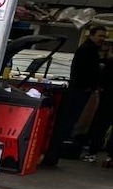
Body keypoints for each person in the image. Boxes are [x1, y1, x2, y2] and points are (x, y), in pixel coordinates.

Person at [44, 26, 104, 167]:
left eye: (104, 36)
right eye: (100, 35)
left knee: (68, 124)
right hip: (78, 92)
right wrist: (88, 87)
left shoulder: (92, 50)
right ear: (92, 35)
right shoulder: (86, 50)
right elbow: (82, 72)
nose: (102, 39)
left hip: (80, 91)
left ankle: (53, 156)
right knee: (65, 124)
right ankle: (52, 156)